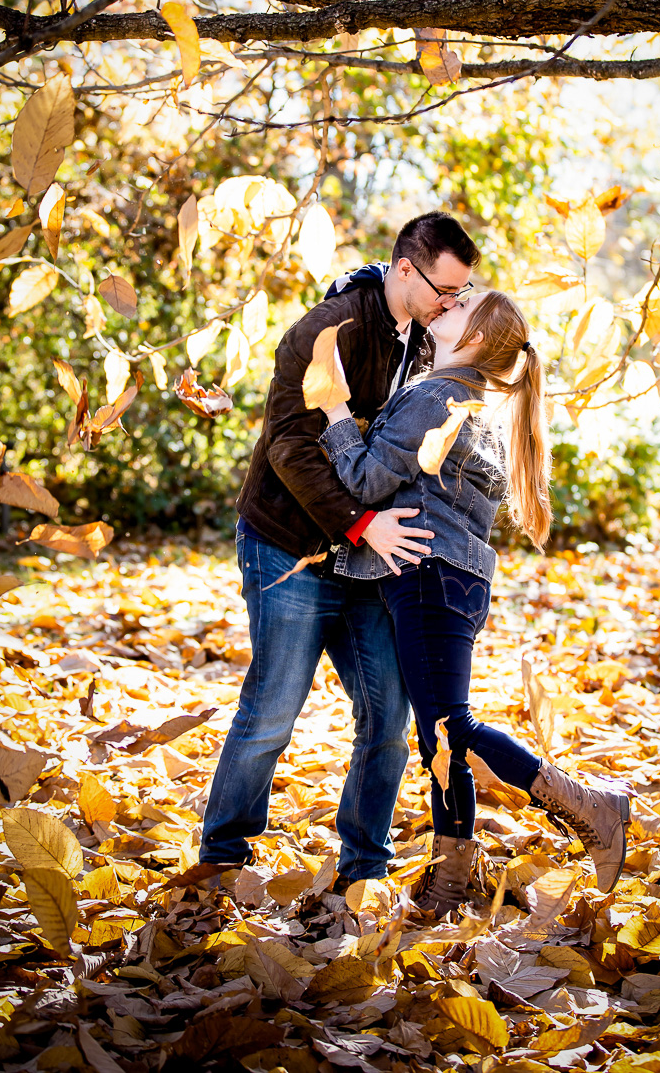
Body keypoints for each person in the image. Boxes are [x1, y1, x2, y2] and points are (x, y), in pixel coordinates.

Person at [317, 290, 631, 913]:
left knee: (448, 728)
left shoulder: (434, 397)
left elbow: (364, 480)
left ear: (476, 340)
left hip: (428, 576)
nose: (445, 307)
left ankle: (588, 804)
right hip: (453, 580)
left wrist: (333, 414)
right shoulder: (469, 404)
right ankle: (451, 881)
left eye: (460, 309)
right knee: (441, 737)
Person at [199, 211, 482, 883]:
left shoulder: (428, 337)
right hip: (287, 543)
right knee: (272, 709)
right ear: (406, 269)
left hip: (367, 560)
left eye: (463, 292)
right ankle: (220, 861)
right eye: (447, 289)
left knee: (389, 716)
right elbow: (290, 446)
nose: (456, 304)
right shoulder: (325, 331)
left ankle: (365, 869)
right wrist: (359, 522)